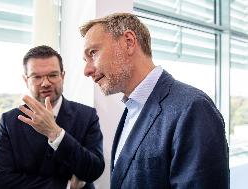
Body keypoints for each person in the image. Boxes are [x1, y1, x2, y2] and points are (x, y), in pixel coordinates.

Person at [80, 13, 229, 189]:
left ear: (128, 42)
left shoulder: (193, 108)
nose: (87, 70)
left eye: (93, 53)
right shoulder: (132, 108)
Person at [0, 45, 105, 189]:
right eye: (37, 77)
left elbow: (93, 170)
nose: (45, 83)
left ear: (62, 76)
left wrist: (55, 132)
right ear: (26, 80)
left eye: (52, 75)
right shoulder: (9, 121)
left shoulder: (87, 115)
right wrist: (66, 185)